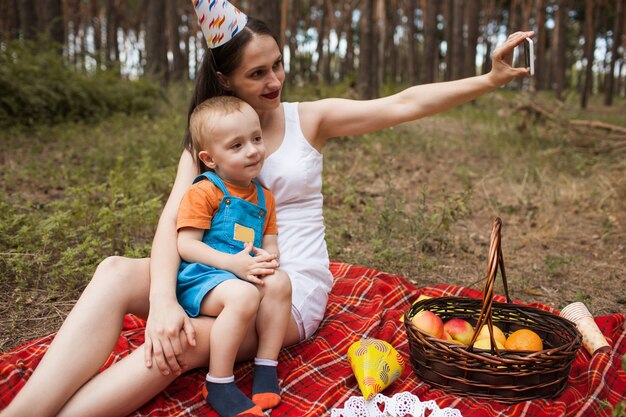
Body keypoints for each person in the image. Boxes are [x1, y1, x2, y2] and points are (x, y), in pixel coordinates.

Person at [0, 7, 534, 417]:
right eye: (257, 73)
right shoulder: (207, 141)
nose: (275, 80)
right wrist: (162, 300)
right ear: (226, 80)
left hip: (286, 287)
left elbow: (402, 103)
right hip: (219, 271)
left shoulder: (310, 119)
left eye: (278, 64)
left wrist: (486, 79)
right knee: (115, 272)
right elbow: (173, 223)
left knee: (184, 341)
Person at [176, 95, 288, 416]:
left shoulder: (264, 198)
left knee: (280, 283)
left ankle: (266, 367)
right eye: (236, 146)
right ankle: (219, 382)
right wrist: (232, 264)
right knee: (241, 296)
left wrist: (268, 259)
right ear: (210, 159)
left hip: (240, 275)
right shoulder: (205, 191)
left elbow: (270, 241)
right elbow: (187, 246)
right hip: (203, 280)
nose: (252, 150)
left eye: (255, 138)